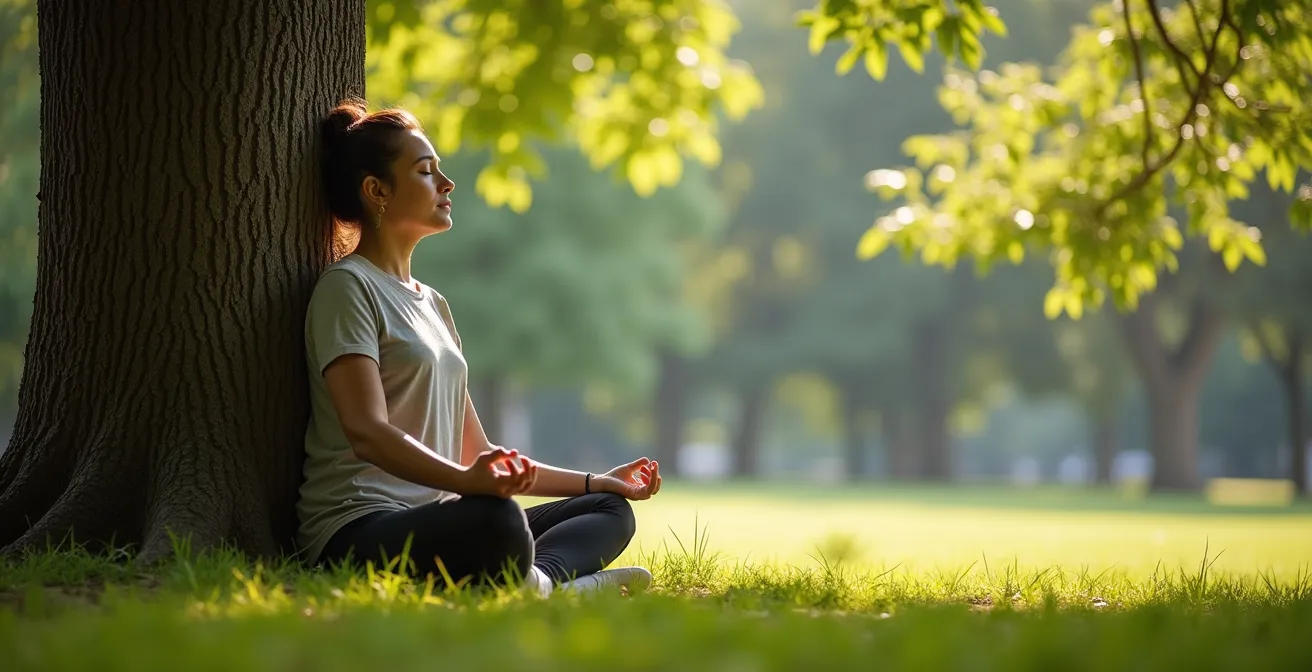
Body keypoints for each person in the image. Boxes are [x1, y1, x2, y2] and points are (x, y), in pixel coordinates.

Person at [295, 98, 661, 596]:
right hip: (359, 528)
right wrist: (469, 483)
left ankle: (540, 585)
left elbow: (479, 451)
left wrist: (598, 481)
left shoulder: (434, 304)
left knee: (608, 511)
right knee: (497, 519)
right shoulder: (347, 287)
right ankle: (549, 588)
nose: (447, 185)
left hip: (445, 517)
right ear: (377, 191)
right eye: (426, 172)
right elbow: (367, 432)